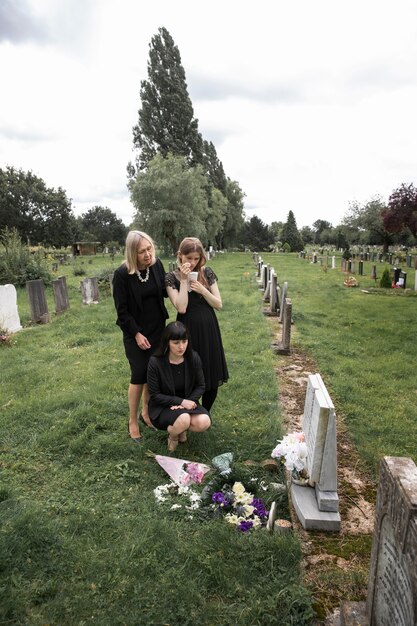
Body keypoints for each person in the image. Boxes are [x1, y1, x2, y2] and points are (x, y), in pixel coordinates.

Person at [113, 230, 169, 443]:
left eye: (149, 249)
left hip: (157, 328)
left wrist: (182, 280)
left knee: (152, 372)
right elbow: (122, 311)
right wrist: (136, 334)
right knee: (139, 374)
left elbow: (164, 291)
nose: (147, 255)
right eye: (141, 252)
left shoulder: (156, 265)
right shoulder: (122, 275)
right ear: (131, 253)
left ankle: (147, 412)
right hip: (134, 332)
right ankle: (132, 420)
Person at [165, 237, 228, 411]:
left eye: (196, 258)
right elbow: (182, 307)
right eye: (189, 258)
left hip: (208, 327)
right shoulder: (171, 278)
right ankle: (188, 410)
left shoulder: (207, 273)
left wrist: (203, 290)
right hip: (186, 329)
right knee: (188, 370)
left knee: (210, 368)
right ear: (180, 256)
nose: (193, 262)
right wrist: (184, 281)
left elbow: (218, 304)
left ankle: (205, 412)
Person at [147, 321, 211, 451]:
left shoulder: (193, 357)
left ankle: (180, 429)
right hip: (162, 406)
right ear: (167, 343)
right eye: (176, 343)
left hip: (188, 402)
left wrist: (189, 402)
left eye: (184, 341)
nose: (181, 347)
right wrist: (181, 402)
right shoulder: (155, 362)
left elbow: (201, 385)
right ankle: (173, 436)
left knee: (204, 422)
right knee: (184, 418)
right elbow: (155, 395)